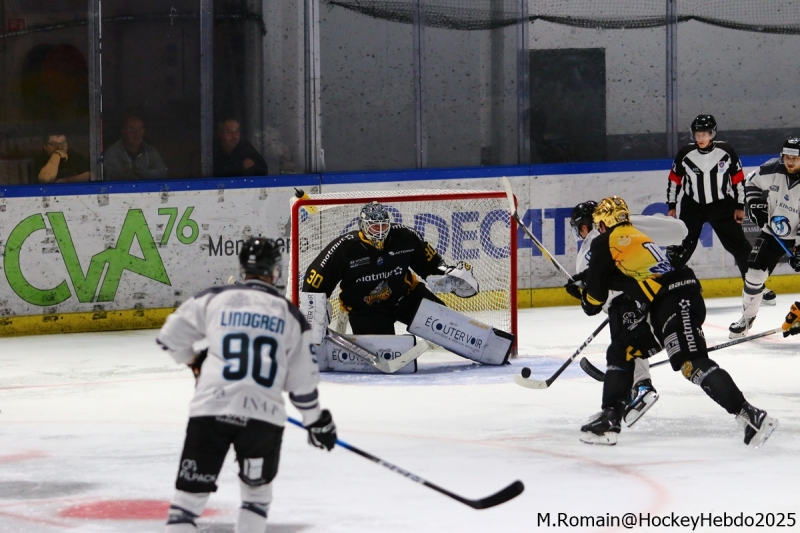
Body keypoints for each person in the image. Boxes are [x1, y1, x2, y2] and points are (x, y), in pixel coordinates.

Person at [156, 236, 337, 533]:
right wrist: (315, 421)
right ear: (275, 271)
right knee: (256, 498)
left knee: (186, 506)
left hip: (210, 410)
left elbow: (169, 338)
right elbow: (302, 385)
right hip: (262, 418)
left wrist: (193, 362)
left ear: (243, 268)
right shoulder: (291, 316)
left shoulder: (215, 298)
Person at [577, 196, 777, 447]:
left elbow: (594, 302)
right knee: (623, 349)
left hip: (674, 300)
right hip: (670, 301)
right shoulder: (636, 236)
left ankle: (750, 415)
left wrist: (584, 293)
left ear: (603, 224)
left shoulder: (604, 242)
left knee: (692, 364)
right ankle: (610, 418)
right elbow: (632, 276)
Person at [566, 201, 680, 428]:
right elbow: (679, 231)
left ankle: (642, 386)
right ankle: (625, 392)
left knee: (627, 343)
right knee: (626, 345)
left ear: (587, 226)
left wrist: (584, 295)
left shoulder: (593, 246)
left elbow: (595, 297)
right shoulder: (627, 229)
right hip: (646, 294)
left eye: (581, 227)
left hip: (627, 300)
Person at [299, 201, 478, 338]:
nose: (380, 231)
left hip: (407, 298)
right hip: (366, 309)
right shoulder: (344, 248)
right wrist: (313, 315)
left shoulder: (405, 237)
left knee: (453, 327)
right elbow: (314, 284)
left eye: (383, 225)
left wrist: (449, 275)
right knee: (385, 353)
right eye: (374, 226)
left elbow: (431, 265)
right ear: (363, 226)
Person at [666, 114, 775, 305]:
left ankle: (756, 287)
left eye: (704, 133)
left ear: (712, 133)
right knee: (682, 248)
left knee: (741, 247)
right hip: (693, 207)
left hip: (722, 206)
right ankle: (667, 288)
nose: (700, 138)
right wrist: (672, 206)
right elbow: (674, 180)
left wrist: (740, 206)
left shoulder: (726, 152)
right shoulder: (685, 153)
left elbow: (738, 181)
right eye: (697, 134)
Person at [728, 136, 800, 338]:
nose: (790, 161)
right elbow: (751, 181)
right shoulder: (774, 168)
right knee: (753, 275)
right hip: (773, 233)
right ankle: (747, 318)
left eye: (795, 157)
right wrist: (754, 203)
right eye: (787, 156)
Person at [103, 115, 168, 181]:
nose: (136, 133)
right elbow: (114, 176)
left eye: (140, 129)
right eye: (132, 129)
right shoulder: (113, 152)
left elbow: (163, 172)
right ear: (124, 131)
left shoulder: (150, 151)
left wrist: (140, 173)